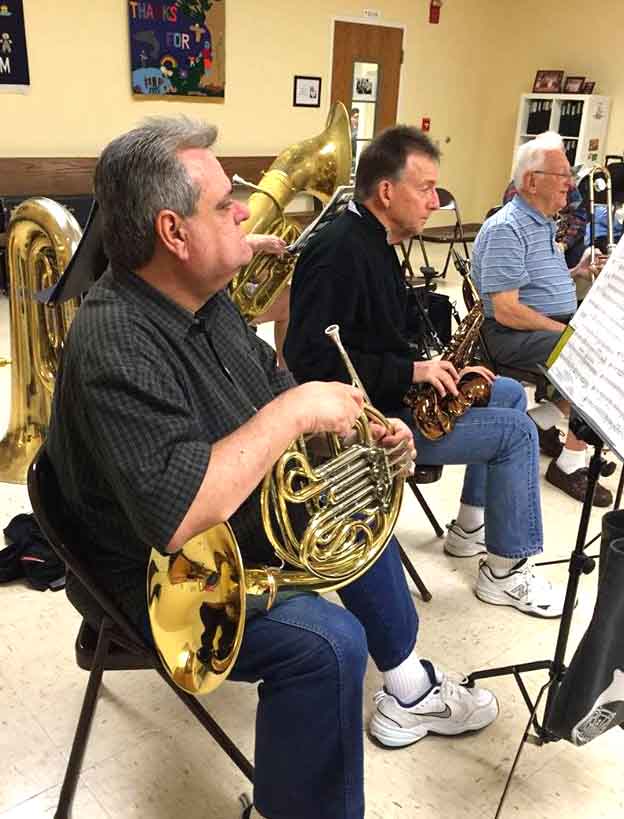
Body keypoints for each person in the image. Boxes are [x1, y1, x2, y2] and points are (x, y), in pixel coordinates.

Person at [46, 117, 498, 819]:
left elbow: (272, 385)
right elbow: (179, 515)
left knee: (356, 509)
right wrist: (293, 414)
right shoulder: (115, 340)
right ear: (173, 233)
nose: (243, 212)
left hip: (222, 514)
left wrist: (363, 433)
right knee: (329, 645)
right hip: (154, 570)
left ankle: (407, 687)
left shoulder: (203, 300)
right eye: (224, 203)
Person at [284, 124, 566, 619]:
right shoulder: (340, 252)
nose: (435, 202)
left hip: (392, 393)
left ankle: (469, 528)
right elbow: (310, 360)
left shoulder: (375, 239)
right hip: (373, 422)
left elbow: (380, 333)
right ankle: (504, 574)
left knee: (505, 392)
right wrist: (413, 371)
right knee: (519, 433)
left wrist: (447, 366)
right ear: (386, 191)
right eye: (426, 188)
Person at [472, 131, 612, 506]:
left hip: (539, 325)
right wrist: (566, 332)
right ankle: (569, 464)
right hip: (508, 334)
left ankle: (540, 422)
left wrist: (575, 272)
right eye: (562, 175)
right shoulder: (508, 228)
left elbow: (534, 284)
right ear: (532, 181)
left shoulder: (541, 222)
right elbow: (506, 309)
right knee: (591, 355)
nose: (571, 184)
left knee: (609, 341)